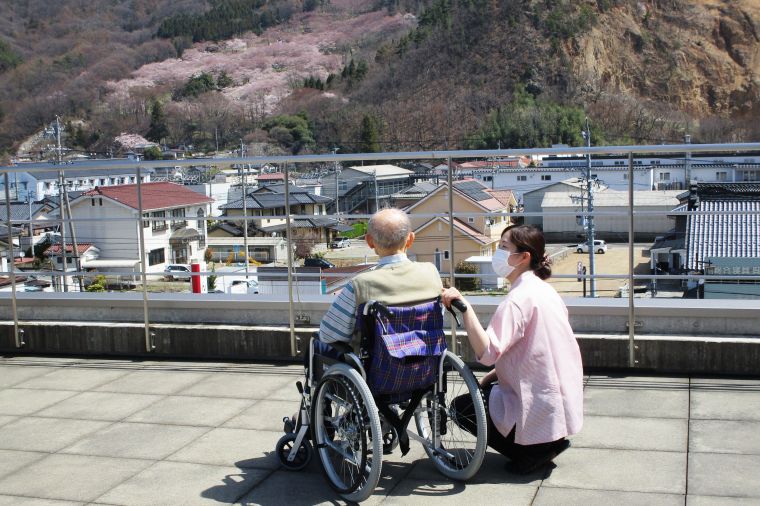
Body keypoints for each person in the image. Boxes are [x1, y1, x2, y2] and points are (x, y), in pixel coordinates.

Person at [441, 224, 583, 474]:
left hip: (537, 403)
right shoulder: (546, 291)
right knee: (490, 389)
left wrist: (465, 308)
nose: (499, 253)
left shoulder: (517, 300)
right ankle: (549, 442)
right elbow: (537, 351)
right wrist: (495, 375)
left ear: (524, 257)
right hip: (557, 403)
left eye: (504, 248)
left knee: (460, 407)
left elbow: (487, 354)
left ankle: (530, 452)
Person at [316, 207, 442, 350]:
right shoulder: (431, 272)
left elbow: (329, 335)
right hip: (426, 359)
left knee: (317, 345)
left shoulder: (361, 284)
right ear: (410, 239)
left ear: (369, 241)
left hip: (378, 367)